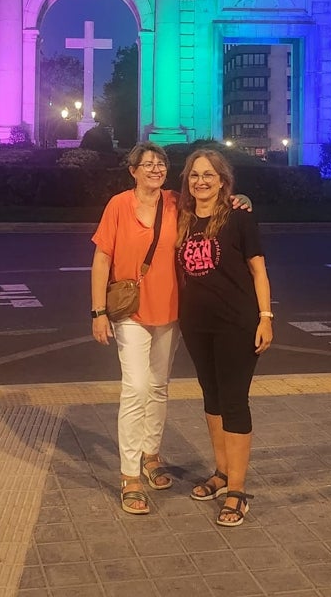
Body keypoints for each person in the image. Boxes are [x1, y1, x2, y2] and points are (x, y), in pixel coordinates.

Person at [91, 141, 250, 516]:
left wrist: (240, 197)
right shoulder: (118, 205)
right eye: (146, 164)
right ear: (133, 171)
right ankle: (130, 474)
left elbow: (215, 206)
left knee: (159, 386)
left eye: (160, 164)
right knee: (136, 387)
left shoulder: (177, 202)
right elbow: (101, 258)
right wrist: (98, 311)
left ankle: (151, 454)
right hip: (130, 311)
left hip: (171, 309)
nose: (154, 169)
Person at [176, 148, 273, 527]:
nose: (201, 181)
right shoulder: (181, 216)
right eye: (195, 175)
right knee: (212, 399)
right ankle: (220, 473)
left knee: (234, 401)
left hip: (237, 322)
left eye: (209, 175)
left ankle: (237, 490)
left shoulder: (238, 216)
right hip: (196, 323)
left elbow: (259, 271)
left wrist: (266, 317)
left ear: (223, 180)